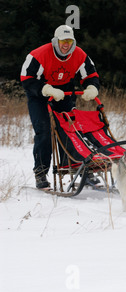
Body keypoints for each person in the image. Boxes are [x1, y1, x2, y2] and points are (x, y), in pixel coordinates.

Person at [21, 25, 100, 189]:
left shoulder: (79, 54)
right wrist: (45, 89)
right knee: (44, 131)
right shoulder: (39, 55)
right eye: (63, 41)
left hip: (64, 92)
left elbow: (90, 74)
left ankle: (74, 166)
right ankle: (41, 173)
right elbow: (26, 78)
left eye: (70, 41)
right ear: (56, 41)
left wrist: (92, 87)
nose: (66, 45)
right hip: (40, 94)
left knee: (71, 129)